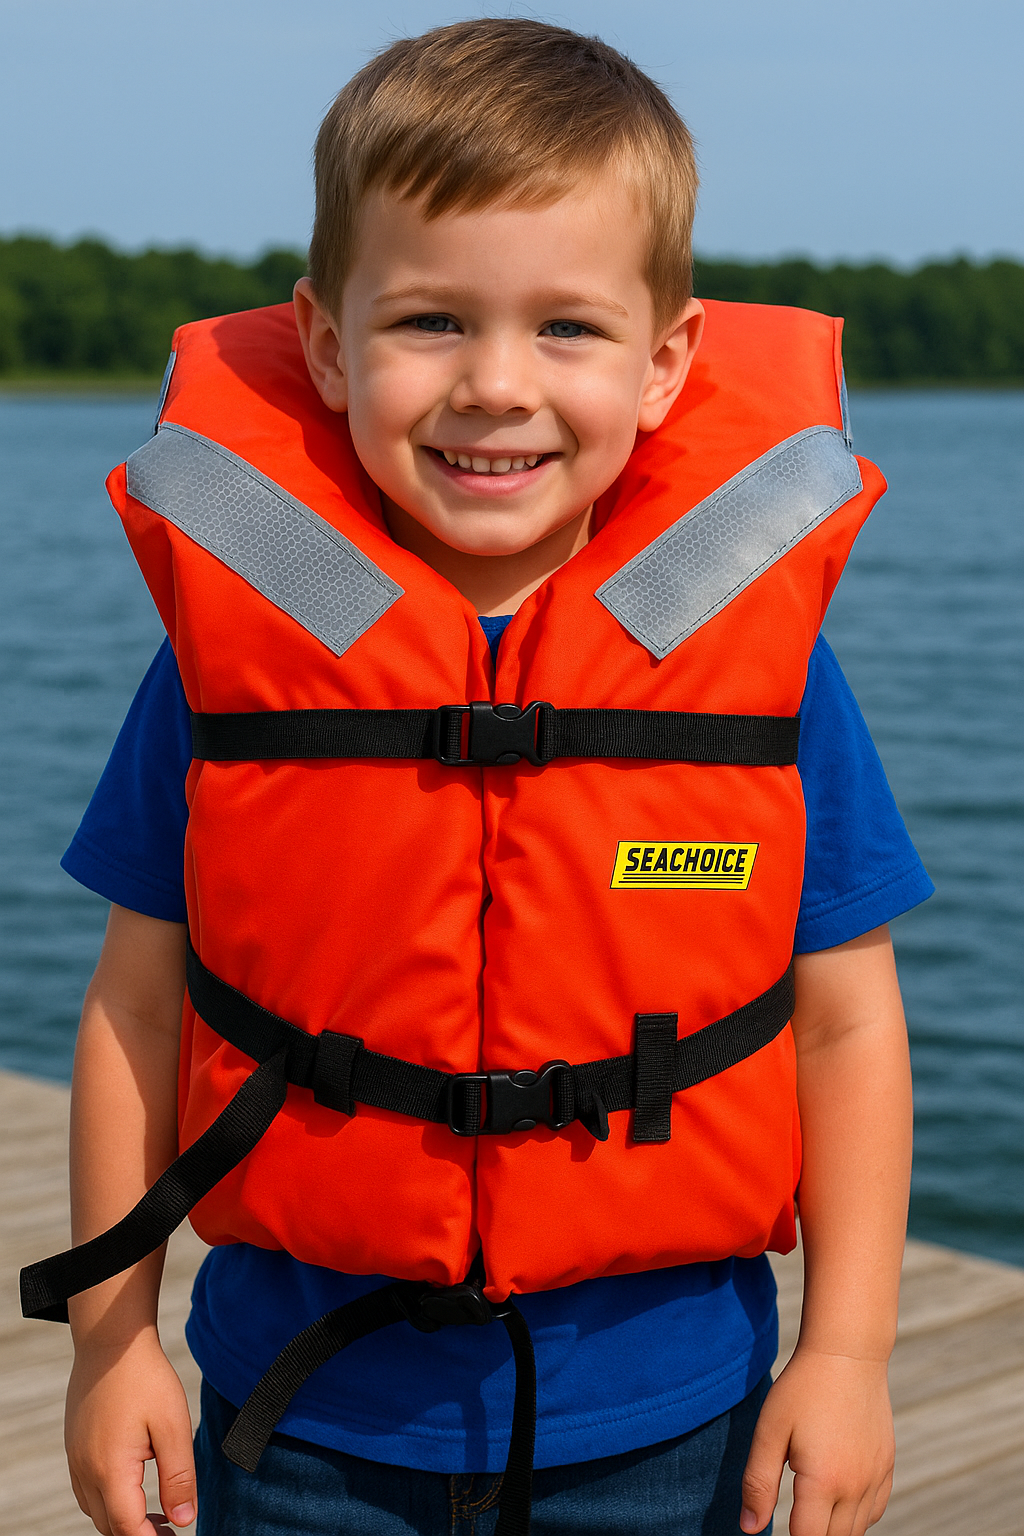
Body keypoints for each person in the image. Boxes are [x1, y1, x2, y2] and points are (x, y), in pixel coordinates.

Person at [31, 19, 929, 1536]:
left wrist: (848, 1353)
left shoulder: (761, 682)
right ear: (327, 345)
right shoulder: (226, 672)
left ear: (666, 364)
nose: (497, 385)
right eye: (432, 320)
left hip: (671, 1425)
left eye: (567, 328)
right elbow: (135, 1008)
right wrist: (110, 1347)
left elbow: (845, 1025)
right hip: (301, 1423)